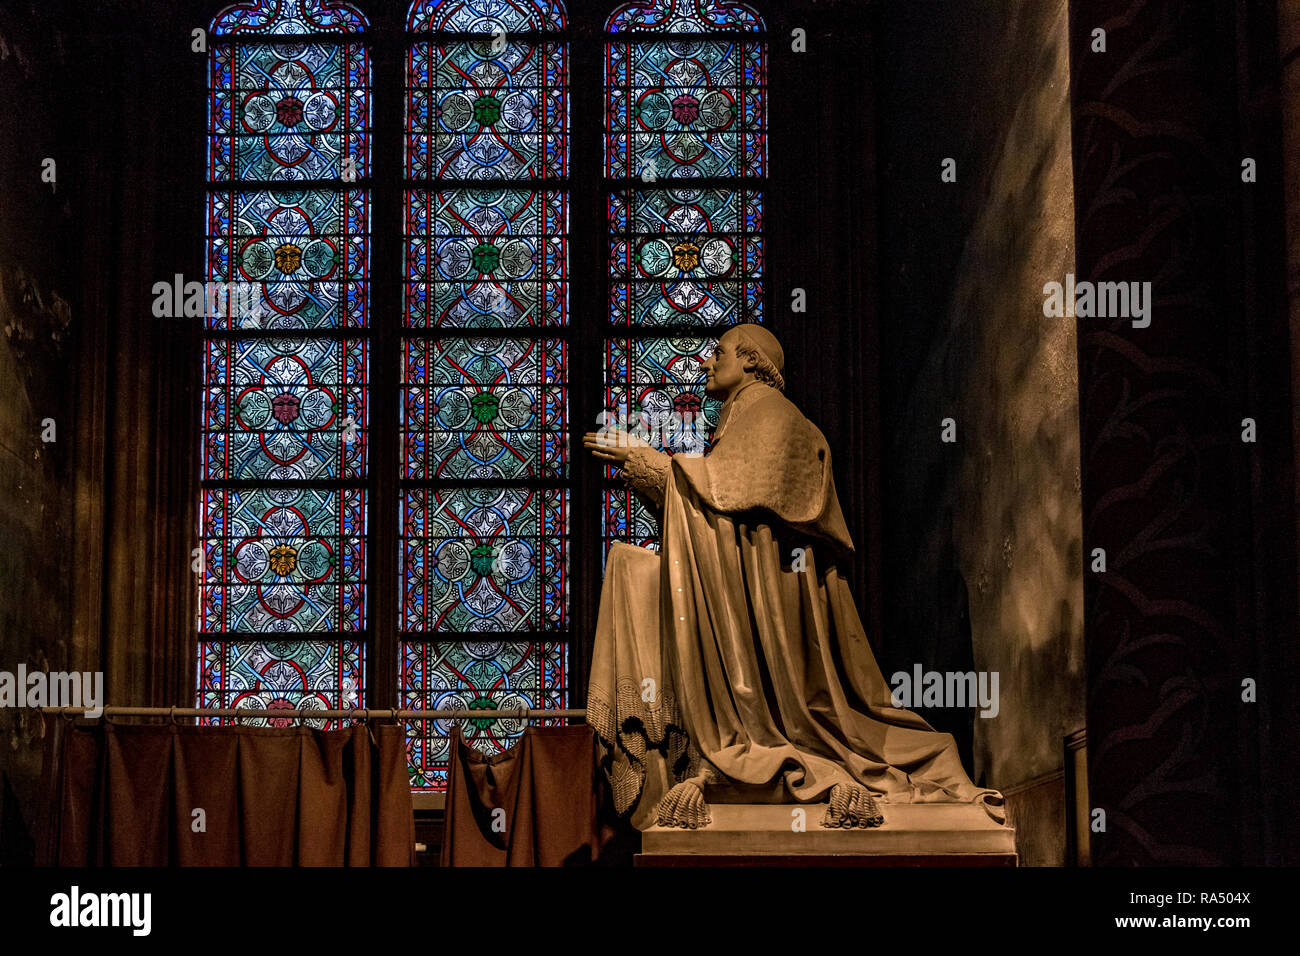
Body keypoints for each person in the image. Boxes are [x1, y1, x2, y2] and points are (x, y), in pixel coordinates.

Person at [582, 324, 1004, 830]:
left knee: (638, 577)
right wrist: (669, 482)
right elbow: (722, 509)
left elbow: (737, 509)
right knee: (633, 572)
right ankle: (702, 753)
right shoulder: (743, 418)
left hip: (770, 603)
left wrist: (657, 467)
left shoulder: (774, 416)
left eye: (719, 353)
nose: (706, 362)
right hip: (744, 592)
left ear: (754, 361)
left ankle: (753, 746)